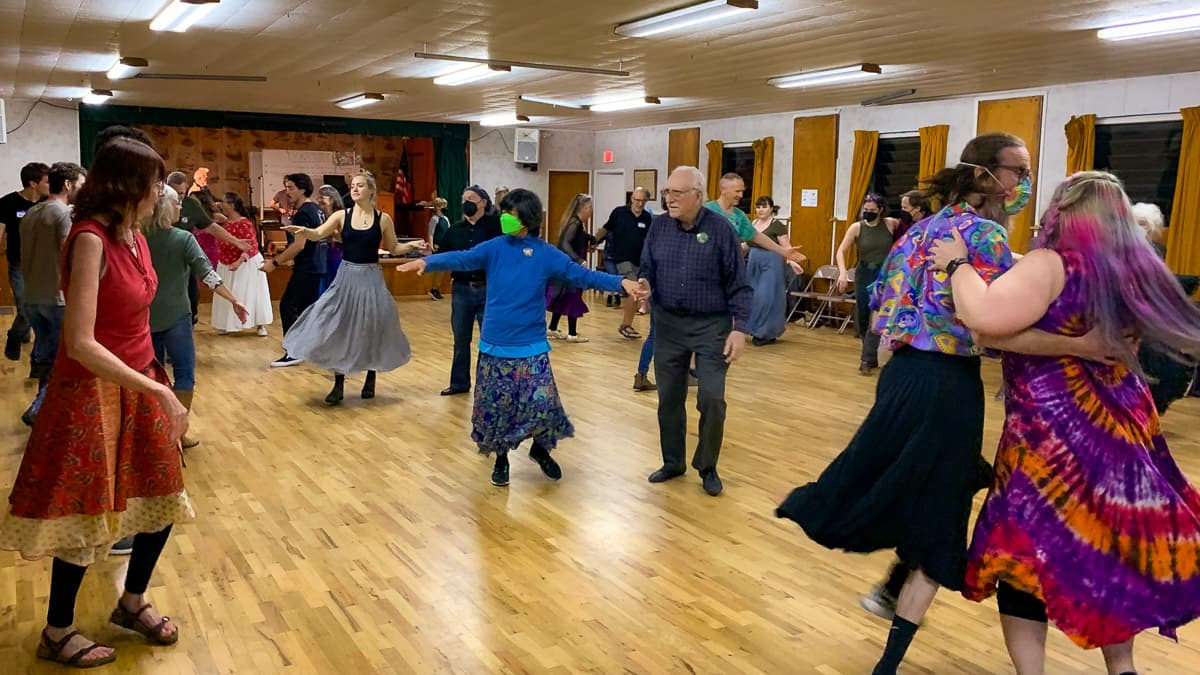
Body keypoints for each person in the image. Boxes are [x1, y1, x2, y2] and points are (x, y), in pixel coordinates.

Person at [774, 133, 1121, 675]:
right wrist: (1083, 343)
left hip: (902, 377)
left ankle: (891, 612)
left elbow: (882, 307)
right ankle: (889, 650)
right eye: (1018, 170)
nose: (1024, 182)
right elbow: (1003, 327)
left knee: (938, 495)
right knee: (942, 520)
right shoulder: (983, 235)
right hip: (947, 384)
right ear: (985, 174)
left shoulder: (920, 230)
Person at [931, 171, 1200, 675]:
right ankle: (1123, 671)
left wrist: (958, 264)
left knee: (1021, 556)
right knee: (1106, 552)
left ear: (1063, 209)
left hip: (1051, 438)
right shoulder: (1134, 270)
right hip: (1122, 428)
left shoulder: (1052, 264)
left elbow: (983, 317)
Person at [0, 137, 193, 668]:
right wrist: (158, 387)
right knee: (85, 516)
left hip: (137, 379)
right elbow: (82, 341)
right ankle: (58, 630)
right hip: (91, 388)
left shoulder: (135, 236)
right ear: (126, 185)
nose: (159, 192)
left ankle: (131, 602)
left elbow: (136, 317)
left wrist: (158, 375)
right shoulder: (89, 239)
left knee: (161, 496)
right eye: (153, 182)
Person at [398, 188, 644, 487]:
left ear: (525, 218)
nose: (503, 218)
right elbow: (463, 258)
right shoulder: (495, 248)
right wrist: (429, 263)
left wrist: (622, 282)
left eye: (509, 214)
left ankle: (540, 451)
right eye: (502, 212)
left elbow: (584, 276)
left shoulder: (545, 254)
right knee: (498, 410)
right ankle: (501, 462)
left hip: (531, 348)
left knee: (543, 407)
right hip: (495, 345)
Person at [640, 166, 752, 497]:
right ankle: (673, 462)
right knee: (669, 398)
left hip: (712, 326)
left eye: (677, 192)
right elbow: (647, 266)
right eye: (667, 192)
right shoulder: (659, 227)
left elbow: (740, 284)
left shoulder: (721, 230)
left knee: (712, 398)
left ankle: (707, 466)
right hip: (669, 325)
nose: (668, 198)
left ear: (698, 196)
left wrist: (740, 329)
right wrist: (645, 286)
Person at [282, 171, 424, 404]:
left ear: (371, 190)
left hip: (371, 277)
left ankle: (371, 375)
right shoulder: (341, 215)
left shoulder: (383, 219)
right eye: (353, 186)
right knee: (339, 326)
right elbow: (318, 234)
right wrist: (303, 231)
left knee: (371, 327)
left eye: (360, 186)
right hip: (347, 275)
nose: (355, 189)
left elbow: (394, 247)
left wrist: (412, 247)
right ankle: (338, 383)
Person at [144, 189, 249, 448]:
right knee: (184, 374)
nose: (181, 207)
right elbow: (207, 274)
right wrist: (233, 299)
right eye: (178, 203)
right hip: (178, 316)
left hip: (144, 316)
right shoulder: (183, 239)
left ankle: (154, 432)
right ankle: (178, 432)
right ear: (167, 208)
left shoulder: (137, 237)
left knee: (150, 376)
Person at [17, 162, 85, 425]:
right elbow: (69, 255)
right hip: (57, 298)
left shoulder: (32, 212)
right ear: (68, 184)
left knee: (46, 356)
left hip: (33, 296)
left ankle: (48, 409)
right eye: (80, 184)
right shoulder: (64, 213)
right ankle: (40, 408)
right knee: (64, 360)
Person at [438, 185, 502, 396]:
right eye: (463, 198)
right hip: (461, 291)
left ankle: (490, 384)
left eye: (471, 198)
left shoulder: (497, 228)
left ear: (483, 201)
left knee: (490, 340)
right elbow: (443, 256)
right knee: (461, 340)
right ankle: (459, 383)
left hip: (489, 289)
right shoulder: (454, 230)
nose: (467, 202)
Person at [262, 173, 324, 367]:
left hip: (308, 268)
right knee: (307, 310)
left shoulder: (304, 212)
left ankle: (294, 352)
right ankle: (310, 348)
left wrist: (275, 262)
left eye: (290, 188)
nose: (286, 192)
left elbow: (299, 245)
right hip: (317, 266)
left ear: (302, 189)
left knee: (288, 306)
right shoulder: (316, 209)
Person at [835, 193, 897, 374]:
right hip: (864, 272)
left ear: (880, 210)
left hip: (883, 274)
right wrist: (843, 274)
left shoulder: (890, 224)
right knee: (862, 316)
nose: (868, 213)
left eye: (872, 210)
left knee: (875, 316)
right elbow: (841, 251)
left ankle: (866, 359)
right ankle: (869, 352)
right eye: (866, 210)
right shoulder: (857, 227)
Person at [2, 161, 50, 361]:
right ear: (32, 183)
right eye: (47, 181)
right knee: (25, 307)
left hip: (42, 267)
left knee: (37, 308)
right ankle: (14, 336)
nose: (50, 184)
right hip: (19, 265)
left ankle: (21, 332)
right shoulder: (7, 203)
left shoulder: (47, 204)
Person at [706, 173, 806, 265]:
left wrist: (784, 252)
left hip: (729, 267)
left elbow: (757, 237)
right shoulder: (706, 210)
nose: (741, 195)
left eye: (742, 191)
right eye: (737, 191)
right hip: (707, 265)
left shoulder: (739, 215)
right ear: (723, 190)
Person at [594, 187, 653, 339]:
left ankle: (627, 324)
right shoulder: (619, 213)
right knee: (633, 290)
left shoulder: (647, 218)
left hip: (639, 260)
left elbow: (650, 241)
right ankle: (626, 325)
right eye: (636, 200)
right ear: (632, 199)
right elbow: (606, 229)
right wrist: (594, 242)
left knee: (636, 291)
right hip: (622, 258)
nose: (639, 204)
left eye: (642, 201)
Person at [211, 192, 272, 336]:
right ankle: (225, 324)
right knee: (227, 292)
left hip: (246, 263)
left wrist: (239, 261)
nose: (221, 205)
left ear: (231, 205)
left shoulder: (245, 223)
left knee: (251, 292)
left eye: (224, 202)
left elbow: (251, 245)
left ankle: (259, 323)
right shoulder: (221, 222)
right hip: (226, 261)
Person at [745, 196, 795, 346]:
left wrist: (792, 260)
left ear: (772, 208)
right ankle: (756, 330)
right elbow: (746, 245)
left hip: (771, 263)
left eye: (764, 206)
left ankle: (765, 332)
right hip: (753, 262)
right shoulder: (753, 223)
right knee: (753, 296)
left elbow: (786, 246)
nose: (760, 209)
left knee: (766, 297)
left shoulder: (778, 225)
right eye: (758, 206)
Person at [546, 193, 595, 343]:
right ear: (584, 208)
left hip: (569, 265)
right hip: (570, 267)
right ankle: (572, 334)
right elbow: (565, 243)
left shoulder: (578, 223)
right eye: (590, 207)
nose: (591, 210)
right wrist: (579, 260)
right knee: (573, 296)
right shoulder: (575, 223)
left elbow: (579, 238)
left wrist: (590, 239)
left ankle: (552, 328)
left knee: (564, 297)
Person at [426, 196, 450, 300]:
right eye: (443, 205)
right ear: (438, 207)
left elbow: (448, 231)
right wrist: (431, 245)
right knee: (439, 269)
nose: (445, 207)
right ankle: (434, 289)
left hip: (445, 246)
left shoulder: (446, 219)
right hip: (437, 246)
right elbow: (431, 233)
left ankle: (437, 288)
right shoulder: (434, 219)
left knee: (443, 269)